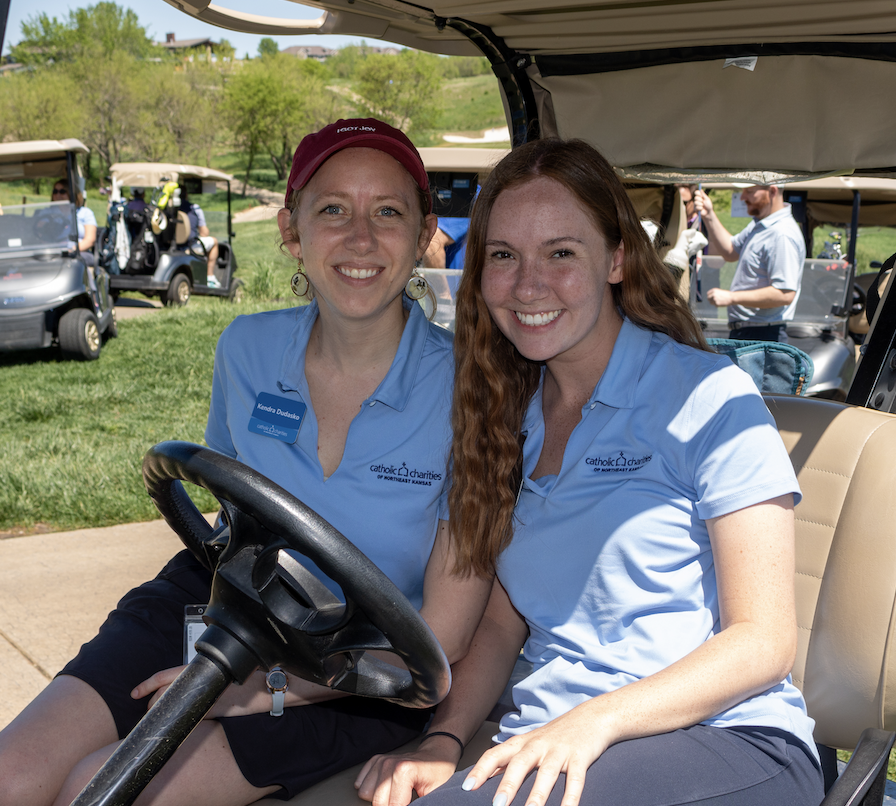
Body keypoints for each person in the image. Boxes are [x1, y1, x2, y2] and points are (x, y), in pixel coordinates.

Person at [0, 118, 492, 806]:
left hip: (362, 669)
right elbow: (227, 510)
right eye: (332, 211)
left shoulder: (474, 390)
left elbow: (442, 634)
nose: (359, 237)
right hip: (219, 602)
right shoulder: (247, 349)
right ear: (292, 230)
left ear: (423, 234)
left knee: (109, 788)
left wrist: (257, 688)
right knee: (13, 777)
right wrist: (225, 656)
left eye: (387, 212)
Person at [356, 138, 824, 806]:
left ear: (617, 259)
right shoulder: (502, 417)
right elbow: (500, 624)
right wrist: (444, 739)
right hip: (555, 742)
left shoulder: (706, 397)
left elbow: (765, 642)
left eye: (561, 254)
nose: (527, 285)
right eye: (504, 256)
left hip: (728, 737)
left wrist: (594, 721)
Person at [695, 184, 806, 342]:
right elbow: (730, 250)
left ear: (772, 191)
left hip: (763, 335)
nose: (742, 197)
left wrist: (731, 297)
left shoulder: (782, 234)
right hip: (752, 332)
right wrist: (708, 214)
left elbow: (784, 294)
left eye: (749, 191)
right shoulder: (761, 224)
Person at [178, 185, 221, 288]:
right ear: (186, 195)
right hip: (191, 245)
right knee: (214, 241)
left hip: (174, 244)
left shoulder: (169, 209)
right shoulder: (194, 209)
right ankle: (210, 276)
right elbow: (204, 233)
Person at [51, 180, 97, 265]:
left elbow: (90, 240)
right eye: (55, 191)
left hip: (79, 252)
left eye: (62, 191)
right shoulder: (46, 213)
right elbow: (40, 233)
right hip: (52, 252)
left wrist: (72, 249)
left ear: (71, 193)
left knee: (75, 263)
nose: (58, 195)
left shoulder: (85, 213)